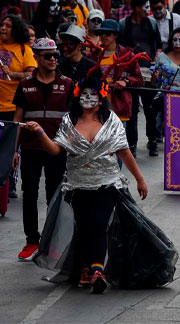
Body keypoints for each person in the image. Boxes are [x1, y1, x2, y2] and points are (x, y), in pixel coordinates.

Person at [24, 73, 150, 294]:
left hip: (107, 183)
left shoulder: (111, 121)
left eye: (93, 95)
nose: (89, 98)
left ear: (101, 98)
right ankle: (84, 268)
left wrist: (140, 179)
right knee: (83, 227)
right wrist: (40, 132)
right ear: (77, 97)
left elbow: (124, 151)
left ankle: (97, 270)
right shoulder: (69, 121)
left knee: (98, 224)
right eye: (84, 94)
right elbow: (54, 150)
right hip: (78, 185)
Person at [12, 39, 73, 261]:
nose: (53, 59)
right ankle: (32, 241)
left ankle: (53, 243)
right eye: (47, 56)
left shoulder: (67, 84)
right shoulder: (25, 85)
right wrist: (14, 151)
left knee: (55, 196)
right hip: (30, 149)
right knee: (29, 194)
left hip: (57, 149)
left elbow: (73, 119)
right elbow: (18, 118)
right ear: (36, 57)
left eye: (55, 55)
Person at [93, 19, 146, 155]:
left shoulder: (127, 55)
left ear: (116, 35)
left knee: (118, 150)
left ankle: (116, 176)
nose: (104, 36)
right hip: (96, 110)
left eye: (108, 33)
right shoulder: (94, 54)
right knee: (99, 150)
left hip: (119, 109)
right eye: (101, 33)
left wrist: (126, 81)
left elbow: (139, 80)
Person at [118, 0, 160, 156]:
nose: (148, 10)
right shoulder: (124, 24)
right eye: (145, 7)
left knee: (150, 109)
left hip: (148, 72)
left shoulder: (151, 24)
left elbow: (157, 45)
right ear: (136, 8)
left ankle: (152, 141)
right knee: (132, 109)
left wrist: (156, 59)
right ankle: (132, 144)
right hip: (131, 72)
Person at [0, 15, 38, 120]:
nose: (3, 28)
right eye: (2, 25)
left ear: (16, 29)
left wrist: (12, 74)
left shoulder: (25, 50)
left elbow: (32, 74)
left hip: (12, 108)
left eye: (8, 26)